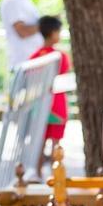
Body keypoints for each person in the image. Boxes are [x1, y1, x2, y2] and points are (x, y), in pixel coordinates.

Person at [26, 15, 70, 181]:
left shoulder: (35, 56)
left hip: (39, 105)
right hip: (57, 104)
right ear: (53, 33)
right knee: (56, 143)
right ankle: (56, 177)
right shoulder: (60, 56)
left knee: (40, 141)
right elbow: (64, 75)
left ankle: (36, 174)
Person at [0, 0, 39, 71]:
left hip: (33, 61)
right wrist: (45, 25)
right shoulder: (11, 1)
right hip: (23, 62)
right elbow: (22, 31)